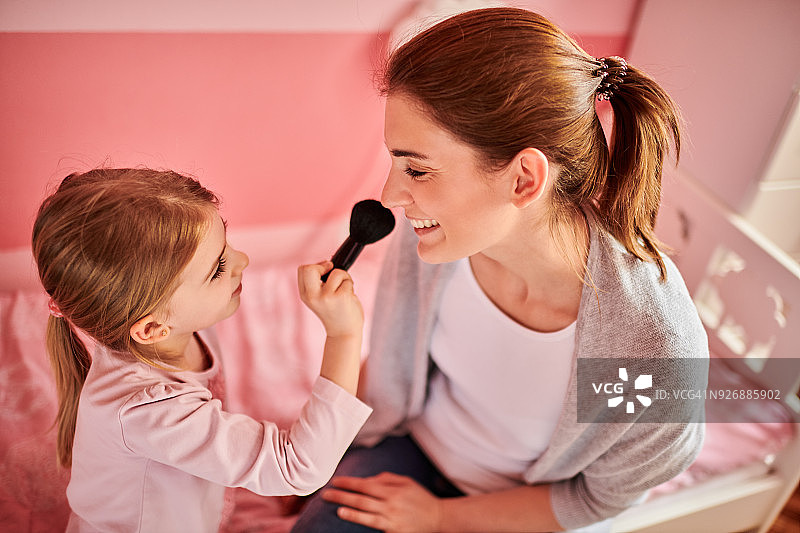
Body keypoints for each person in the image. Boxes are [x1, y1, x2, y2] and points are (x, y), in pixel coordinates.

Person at [292, 7, 707, 533]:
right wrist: (314, 457)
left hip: (522, 509)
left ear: (523, 179)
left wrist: (438, 518)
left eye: (416, 169)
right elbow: (393, 362)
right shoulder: (436, 240)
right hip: (413, 449)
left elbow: (598, 499)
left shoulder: (652, 349)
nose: (390, 197)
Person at [31, 168, 372, 532]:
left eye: (226, 244)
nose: (243, 261)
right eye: (218, 268)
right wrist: (344, 335)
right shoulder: (147, 409)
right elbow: (297, 467)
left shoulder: (182, 329)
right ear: (152, 329)